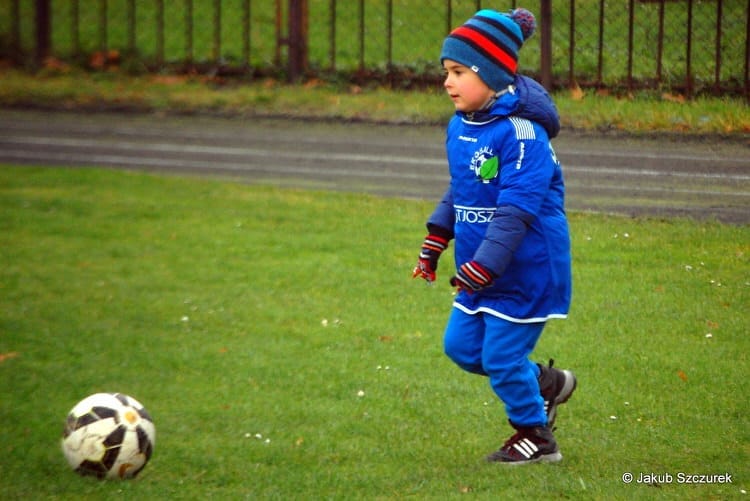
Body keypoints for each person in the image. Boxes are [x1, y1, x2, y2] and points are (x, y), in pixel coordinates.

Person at [412, 7, 576, 465]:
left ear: (492, 74)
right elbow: (461, 189)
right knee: (461, 348)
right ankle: (544, 384)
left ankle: (535, 436)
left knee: (502, 359)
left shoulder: (523, 136)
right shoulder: (461, 125)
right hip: (480, 270)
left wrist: (483, 266)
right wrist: (435, 240)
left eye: (459, 72)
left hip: (525, 271)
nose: (448, 82)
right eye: (447, 71)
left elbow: (515, 212)